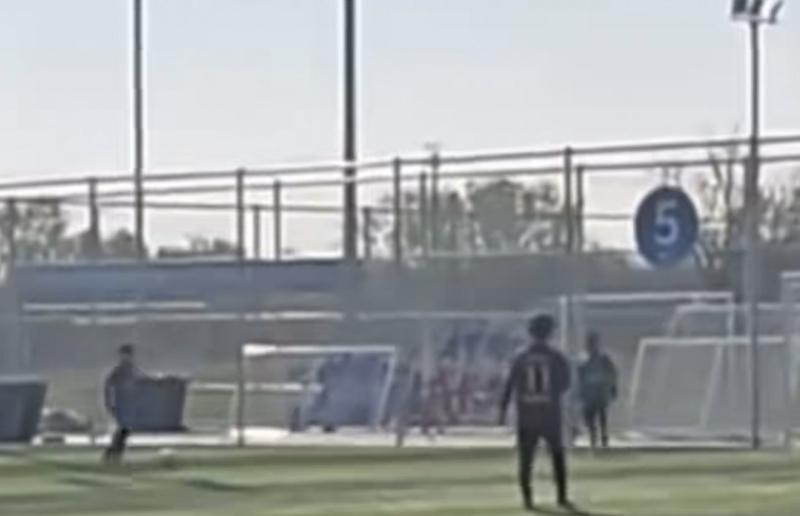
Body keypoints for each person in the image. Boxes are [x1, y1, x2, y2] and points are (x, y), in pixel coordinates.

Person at [499, 314, 572, 511]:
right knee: (557, 456)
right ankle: (562, 497)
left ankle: (528, 499)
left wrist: (503, 408)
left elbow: (509, 384)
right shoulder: (556, 357)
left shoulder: (520, 357)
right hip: (550, 414)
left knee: (526, 458)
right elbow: (566, 383)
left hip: (527, 414)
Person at [578, 332, 618, 451]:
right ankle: (594, 440)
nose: (591, 346)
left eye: (593, 343)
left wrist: (613, 388)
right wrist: (580, 392)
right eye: (590, 343)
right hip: (589, 394)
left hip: (600, 392)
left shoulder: (604, 359)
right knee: (589, 418)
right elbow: (580, 376)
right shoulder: (583, 359)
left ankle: (603, 440)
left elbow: (612, 373)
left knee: (602, 418)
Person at [103, 343, 141, 464]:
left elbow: (139, 384)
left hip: (130, 406)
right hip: (120, 405)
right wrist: (108, 402)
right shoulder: (118, 370)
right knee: (122, 430)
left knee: (124, 431)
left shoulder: (133, 369)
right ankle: (111, 455)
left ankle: (114, 456)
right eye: (124, 355)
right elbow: (107, 385)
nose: (126, 357)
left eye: (129, 355)